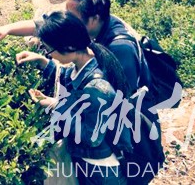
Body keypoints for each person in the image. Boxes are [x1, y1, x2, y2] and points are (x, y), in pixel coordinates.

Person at [17, 11, 132, 184]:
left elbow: (92, 138)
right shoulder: (88, 62)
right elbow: (69, 77)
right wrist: (42, 62)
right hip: (88, 161)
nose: (50, 55)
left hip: (99, 170)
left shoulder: (96, 88)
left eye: (49, 50)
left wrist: (56, 106)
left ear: (69, 47)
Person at [0, 0, 150, 97]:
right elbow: (40, 24)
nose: (66, 19)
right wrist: (6, 29)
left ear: (93, 19)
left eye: (71, 16)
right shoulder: (87, 26)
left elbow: (118, 100)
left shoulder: (121, 48)